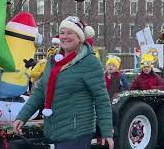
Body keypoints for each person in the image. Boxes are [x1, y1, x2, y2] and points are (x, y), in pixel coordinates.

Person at [13, 16, 114, 149]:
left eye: (70, 32)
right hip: (53, 131)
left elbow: (101, 99)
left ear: (79, 37)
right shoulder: (53, 62)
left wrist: (106, 132)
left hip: (77, 134)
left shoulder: (90, 62)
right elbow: (40, 92)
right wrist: (22, 116)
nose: (65, 36)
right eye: (62, 32)